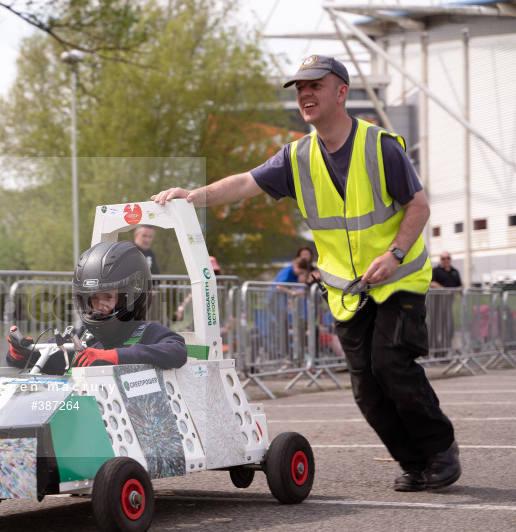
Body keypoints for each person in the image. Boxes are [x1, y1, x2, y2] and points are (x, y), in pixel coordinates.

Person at [152, 55, 460, 492]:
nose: (305, 94)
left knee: (392, 365)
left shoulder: (380, 146)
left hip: (398, 280)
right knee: (366, 390)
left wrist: (393, 254)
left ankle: (441, 450)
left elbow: (419, 206)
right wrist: (191, 196)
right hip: (347, 291)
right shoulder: (297, 157)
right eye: (299, 88)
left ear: (341, 92)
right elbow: (244, 183)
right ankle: (414, 463)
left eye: (315, 85)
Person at [6, 241, 187, 375]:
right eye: (94, 298)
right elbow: (38, 358)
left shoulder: (147, 332)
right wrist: (21, 352)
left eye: (109, 296)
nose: (101, 305)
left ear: (132, 296)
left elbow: (177, 351)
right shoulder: (82, 337)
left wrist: (114, 356)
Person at [428, 252, 461, 355]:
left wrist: (455, 290)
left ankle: (445, 348)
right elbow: (432, 283)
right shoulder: (436, 271)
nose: (446, 260)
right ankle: (433, 348)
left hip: (448, 304)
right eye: (443, 258)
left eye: (448, 258)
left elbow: (459, 285)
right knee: (434, 326)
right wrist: (446, 290)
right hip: (435, 304)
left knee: (448, 326)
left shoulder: (455, 271)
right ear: (440, 260)